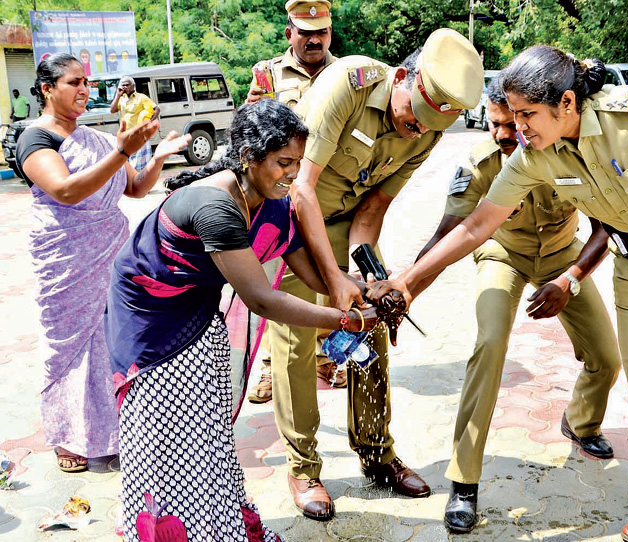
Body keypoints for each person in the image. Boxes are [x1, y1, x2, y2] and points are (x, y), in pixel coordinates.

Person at [369, 44, 628, 542]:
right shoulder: (531, 157)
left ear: (568, 104)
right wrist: (406, 281)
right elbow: (476, 225)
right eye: (513, 115)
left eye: (528, 114)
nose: (519, 127)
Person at [106, 100, 379, 542]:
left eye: (297, 163)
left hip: (196, 307)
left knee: (207, 429)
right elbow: (261, 299)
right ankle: (167, 529)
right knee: (166, 435)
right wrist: (345, 322)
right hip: (149, 315)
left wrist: (361, 291)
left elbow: (308, 271)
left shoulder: (271, 200)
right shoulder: (215, 205)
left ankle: (214, 522)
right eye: (282, 163)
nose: (292, 174)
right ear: (249, 156)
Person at [268, 28, 483, 521]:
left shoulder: (428, 128)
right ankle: (303, 467)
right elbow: (302, 189)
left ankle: (377, 454)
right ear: (402, 77)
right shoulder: (350, 83)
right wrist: (332, 280)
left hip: (346, 221)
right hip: (292, 218)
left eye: (427, 128)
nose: (414, 131)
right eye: (412, 118)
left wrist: (370, 277)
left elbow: (374, 205)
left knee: (372, 328)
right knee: (298, 341)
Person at [414, 79, 621, 533]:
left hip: (565, 258)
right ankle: (464, 481)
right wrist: (406, 287)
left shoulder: (566, 151)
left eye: (515, 122)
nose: (508, 133)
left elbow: (608, 226)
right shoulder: (480, 161)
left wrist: (570, 279)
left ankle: (581, 423)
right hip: (503, 255)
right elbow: (448, 232)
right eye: (497, 123)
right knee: (489, 344)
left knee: (607, 358)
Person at [15, 53, 189, 473]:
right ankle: (69, 437)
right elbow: (66, 191)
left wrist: (158, 154)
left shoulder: (93, 138)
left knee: (115, 337)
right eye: (73, 82)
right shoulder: (36, 139)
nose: (84, 90)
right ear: (46, 89)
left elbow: (134, 187)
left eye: (87, 82)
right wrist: (121, 150)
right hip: (67, 259)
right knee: (70, 346)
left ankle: (116, 428)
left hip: (112, 253)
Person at [244, 0, 340, 404]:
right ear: (290, 34)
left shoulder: (345, 74)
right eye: (305, 32)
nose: (314, 39)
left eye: (321, 32)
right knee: (277, 282)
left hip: (330, 198)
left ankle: (324, 355)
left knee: (329, 277)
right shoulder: (267, 74)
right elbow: (252, 127)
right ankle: (269, 366)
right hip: (280, 201)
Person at [110, 76, 160, 172]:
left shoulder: (141, 98)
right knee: (126, 163)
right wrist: (118, 95)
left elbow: (157, 109)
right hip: (126, 135)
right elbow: (112, 110)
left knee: (139, 164)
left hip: (139, 135)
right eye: (123, 85)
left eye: (127, 85)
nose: (125, 87)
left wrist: (149, 123)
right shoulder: (121, 99)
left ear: (133, 85)